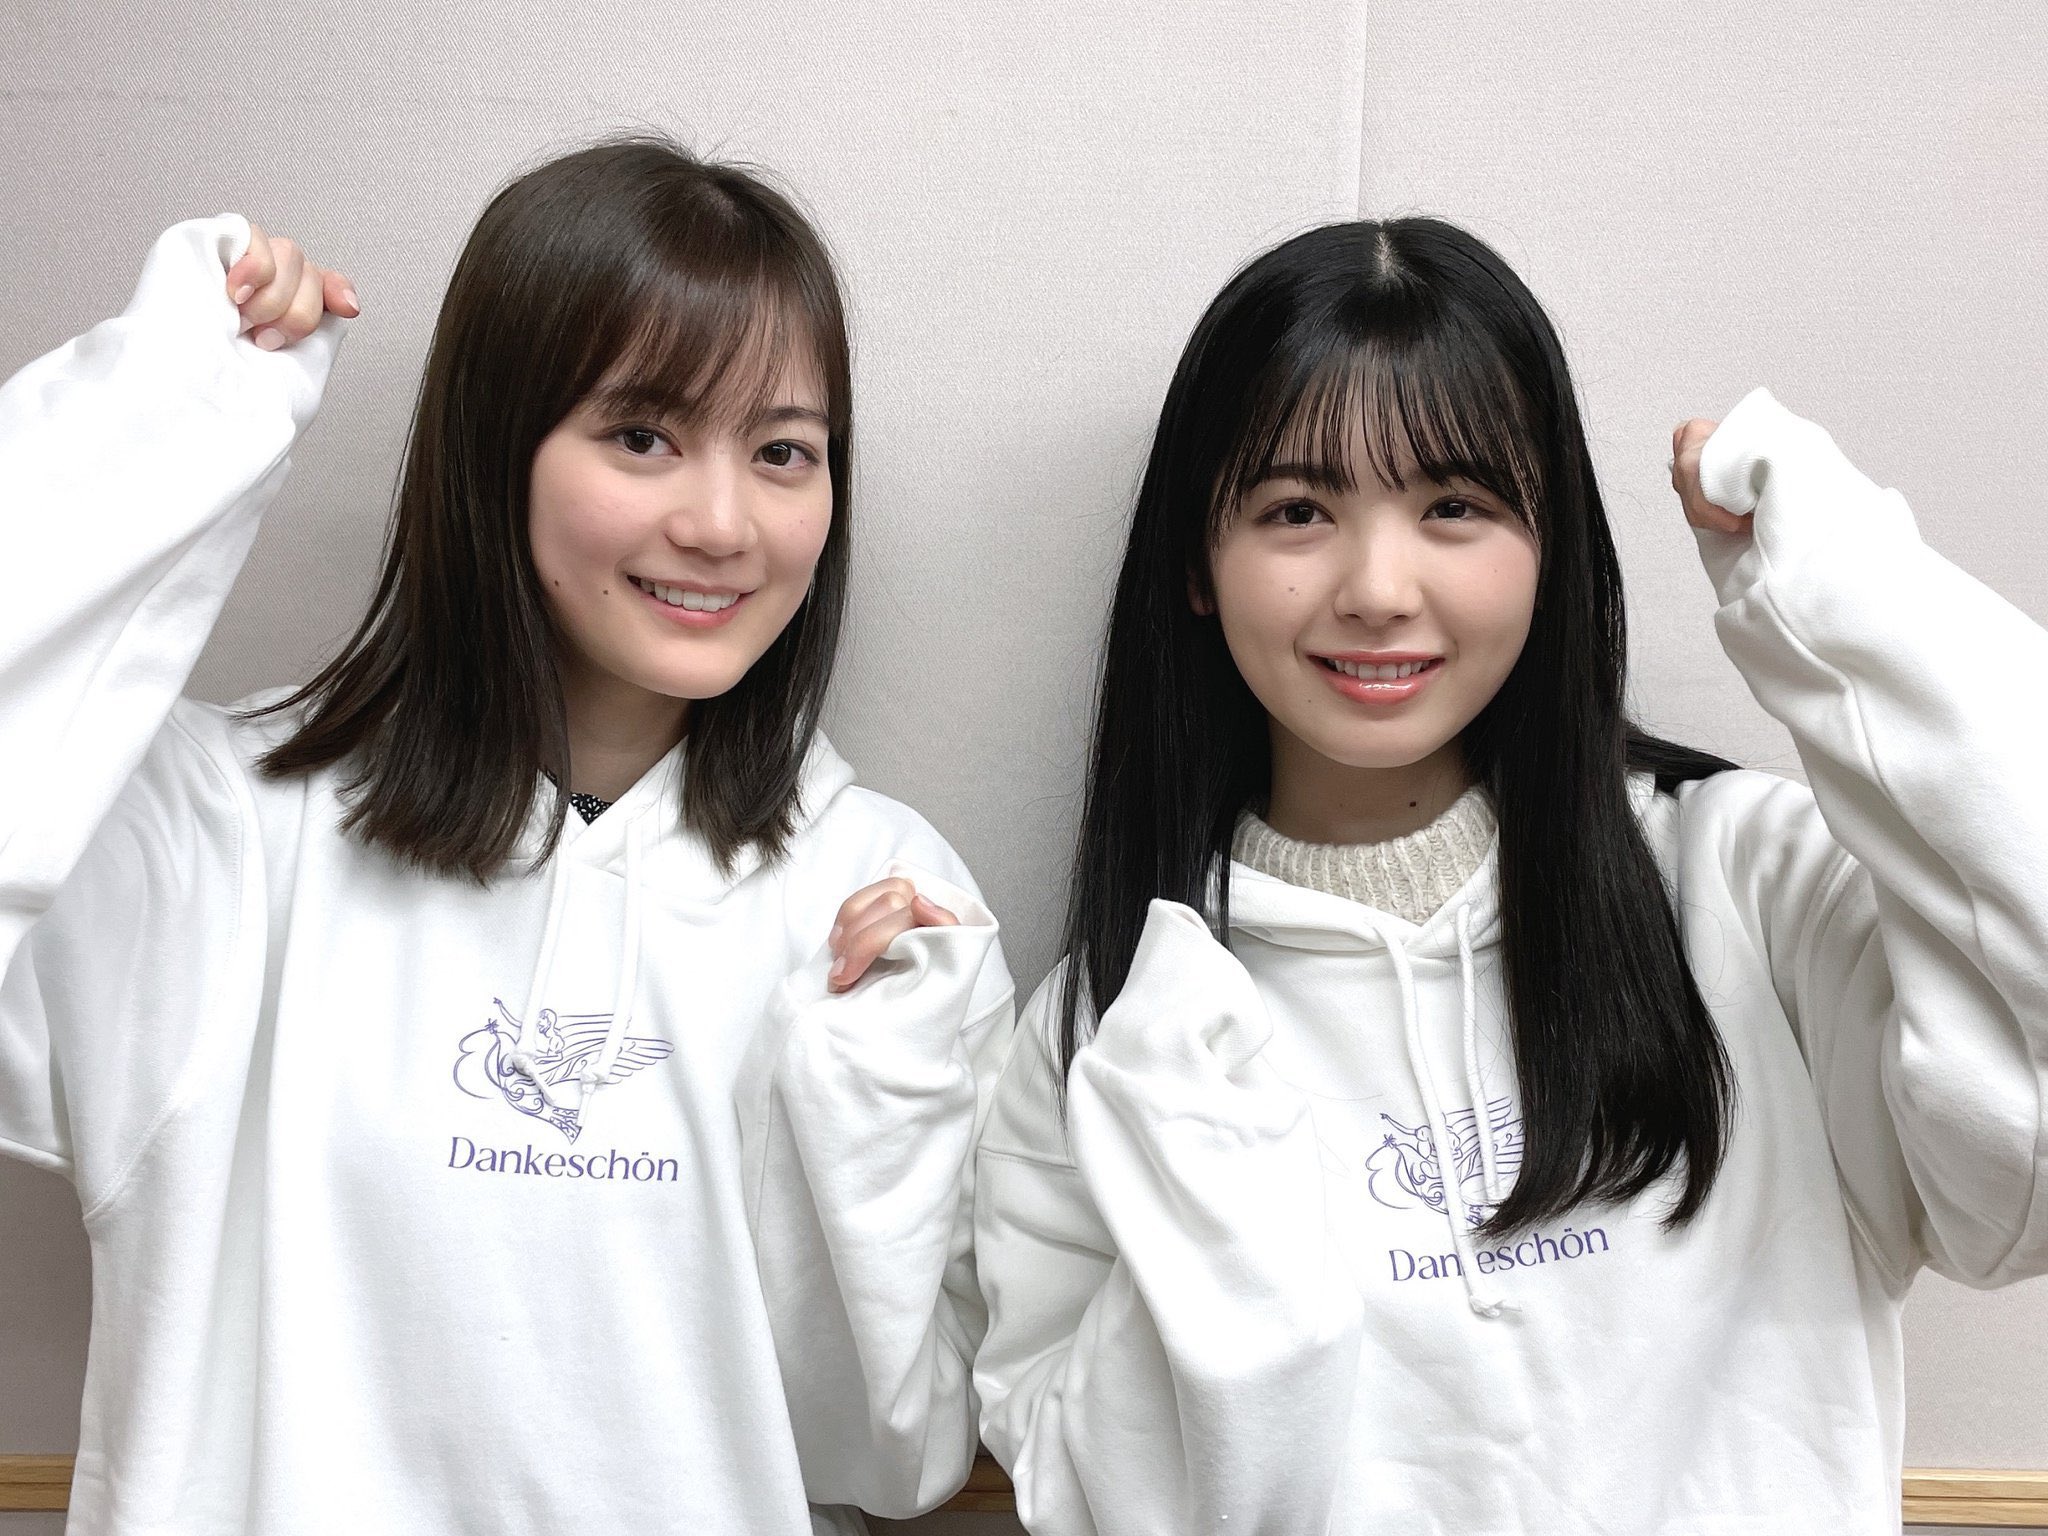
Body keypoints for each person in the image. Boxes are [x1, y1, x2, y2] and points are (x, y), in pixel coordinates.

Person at [971, 217, 2048, 1533]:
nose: (1379, 589)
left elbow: (2015, 1194)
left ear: (1550, 546)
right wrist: (1225, 1255)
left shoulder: (1748, 887)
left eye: (1454, 508)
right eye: (1297, 511)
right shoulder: (1113, 1037)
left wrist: (1854, 608)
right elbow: (1102, 1509)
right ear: (1200, 564)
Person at [0, 138, 1012, 1534]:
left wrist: (867, 1112)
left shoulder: (883, 898)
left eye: (783, 451)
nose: (724, 523)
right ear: (498, 448)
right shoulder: (221, 838)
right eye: (643, 435)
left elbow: (892, 1460)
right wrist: (171, 407)